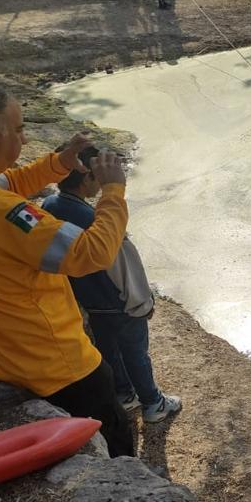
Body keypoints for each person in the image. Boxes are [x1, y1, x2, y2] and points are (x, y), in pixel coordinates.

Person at [0, 83, 136, 457]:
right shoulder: (2, 211)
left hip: (4, 356)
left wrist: (59, 162)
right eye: (18, 129)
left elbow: (7, 181)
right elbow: (89, 253)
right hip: (58, 366)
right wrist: (113, 192)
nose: (24, 136)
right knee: (113, 438)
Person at [42, 147, 181, 424]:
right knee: (136, 353)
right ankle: (153, 403)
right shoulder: (96, 219)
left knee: (109, 350)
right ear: (87, 179)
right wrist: (142, 302)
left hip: (90, 301)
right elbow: (123, 266)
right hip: (117, 301)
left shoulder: (49, 206)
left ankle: (124, 394)